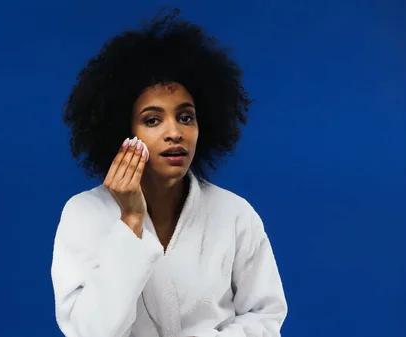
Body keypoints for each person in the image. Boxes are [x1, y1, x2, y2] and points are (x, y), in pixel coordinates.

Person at [51, 8, 287, 337]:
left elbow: (265, 316)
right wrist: (131, 221)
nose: (174, 132)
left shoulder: (235, 215)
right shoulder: (84, 215)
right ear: (122, 129)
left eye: (186, 117)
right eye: (152, 120)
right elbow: (90, 332)